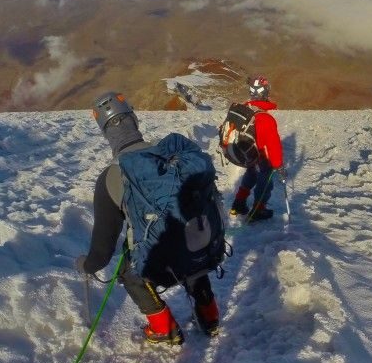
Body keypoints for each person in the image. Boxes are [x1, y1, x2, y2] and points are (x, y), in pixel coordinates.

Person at [76, 91, 220, 345]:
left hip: (160, 267)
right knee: (188, 244)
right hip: (204, 249)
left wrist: (86, 266)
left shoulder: (110, 178)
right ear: (134, 119)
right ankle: (210, 317)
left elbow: (102, 250)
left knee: (127, 272)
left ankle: (163, 328)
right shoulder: (171, 155)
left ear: (105, 132)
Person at [229, 76, 284, 221]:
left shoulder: (246, 110)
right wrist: (278, 165)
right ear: (265, 93)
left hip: (247, 152)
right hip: (260, 155)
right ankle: (258, 210)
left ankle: (238, 204)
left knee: (251, 173)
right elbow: (273, 145)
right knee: (265, 180)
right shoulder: (265, 118)